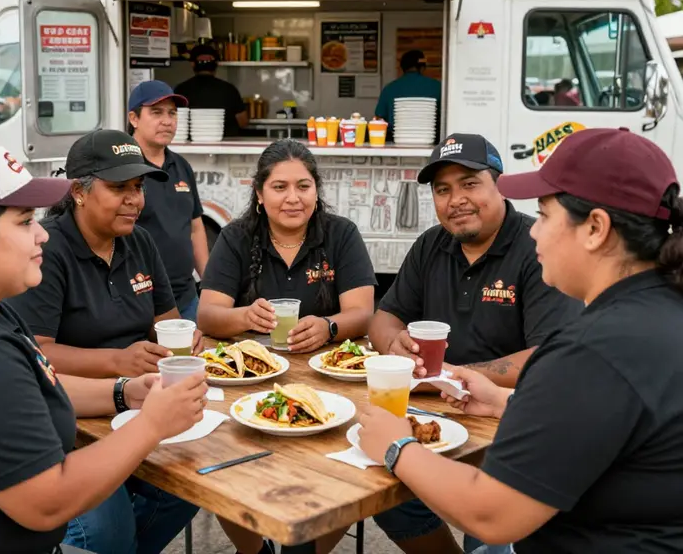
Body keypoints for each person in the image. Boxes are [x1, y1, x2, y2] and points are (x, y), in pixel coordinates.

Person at [359, 126, 683, 553]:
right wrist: (503, 403)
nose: (534, 231)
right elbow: (607, 424)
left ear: (596, 228)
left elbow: (491, 514)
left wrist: (397, 445)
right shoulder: (659, 310)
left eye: (546, 216)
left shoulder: (591, 350)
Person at [0, 144, 207, 554]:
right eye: (23, 222)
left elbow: (31, 388)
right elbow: (46, 502)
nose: (41, 233)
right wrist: (152, 424)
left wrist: (124, 391)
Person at [367, 132, 581, 554]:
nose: (455, 199)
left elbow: (548, 355)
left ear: (498, 184)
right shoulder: (432, 244)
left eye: (469, 183)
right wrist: (393, 341)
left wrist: (450, 377)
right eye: (442, 190)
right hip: (431, 408)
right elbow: (383, 317)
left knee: (489, 529)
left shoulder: (535, 244)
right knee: (382, 488)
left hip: (506, 418)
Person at [6, 129, 203, 554]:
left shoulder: (140, 241)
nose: (135, 199)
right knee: (103, 533)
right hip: (71, 421)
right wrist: (118, 361)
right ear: (79, 191)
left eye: (139, 187)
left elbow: (165, 321)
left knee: (195, 482)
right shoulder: (48, 247)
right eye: (120, 188)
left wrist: (184, 340)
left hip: (138, 405)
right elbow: (38, 353)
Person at [197, 138, 377, 554]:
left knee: (343, 470)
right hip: (247, 383)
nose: (292, 198)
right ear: (259, 194)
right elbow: (207, 315)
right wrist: (245, 317)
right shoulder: (237, 237)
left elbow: (363, 312)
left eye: (303, 186)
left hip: (330, 382)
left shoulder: (340, 234)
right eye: (279, 187)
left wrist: (329, 326)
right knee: (224, 465)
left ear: (317, 190)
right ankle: (254, 549)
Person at [128, 79, 209, 321]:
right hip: (138, 299)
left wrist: (211, 284)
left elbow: (195, 228)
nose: (167, 121)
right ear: (134, 119)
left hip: (185, 297)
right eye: (156, 112)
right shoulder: (123, 169)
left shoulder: (181, 166)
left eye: (172, 113)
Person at [174, 43, 249, 138]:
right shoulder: (229, 89)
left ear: (192, 64)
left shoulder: (181, 89)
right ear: (216, 65)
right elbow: (243, 121)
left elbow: (173, 121)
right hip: (225, 146)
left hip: (191, 147)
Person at [375, 49, 442, 137]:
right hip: (430, 139)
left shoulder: (389, 88)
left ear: (402, 68)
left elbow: (379, 118)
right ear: (422, 68)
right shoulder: (438, 87)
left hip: (396, 140)